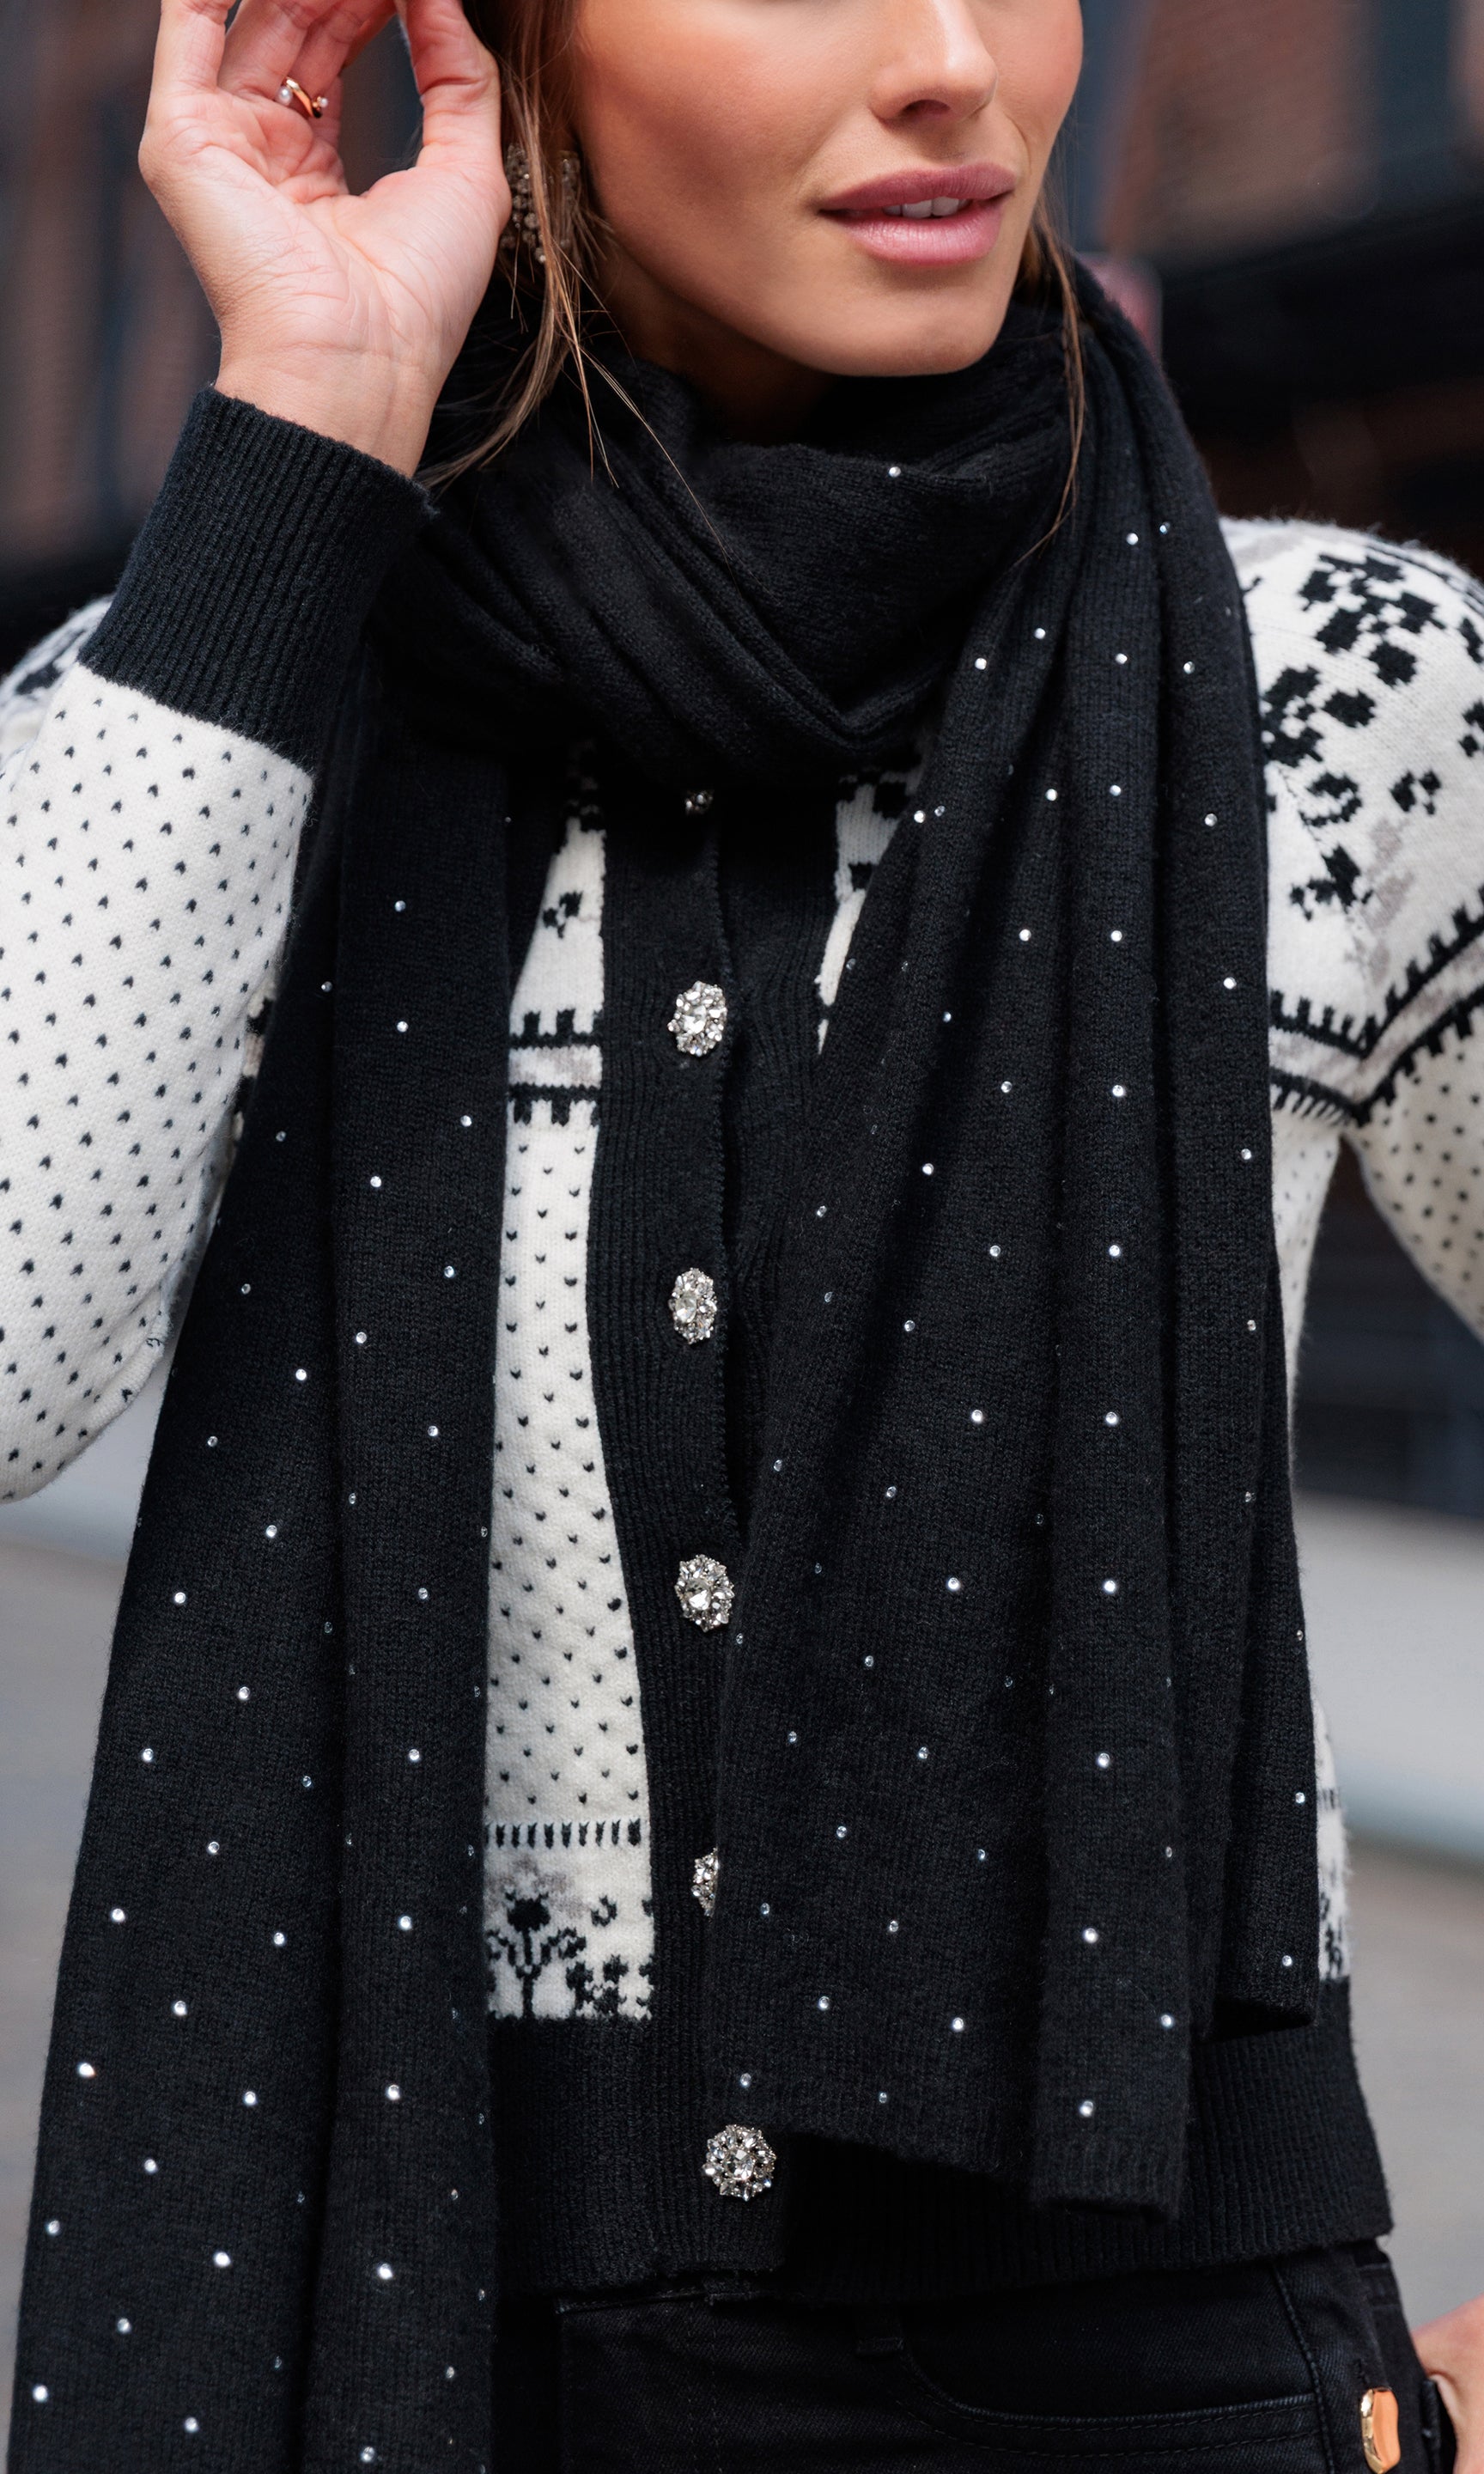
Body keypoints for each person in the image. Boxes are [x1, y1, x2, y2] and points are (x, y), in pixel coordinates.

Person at [3, 0, 1482, 2465]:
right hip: (426, 2345)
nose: (950, 68)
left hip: (1156, 2376)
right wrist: (299, 437)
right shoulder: (231, 697)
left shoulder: (1332, 694)